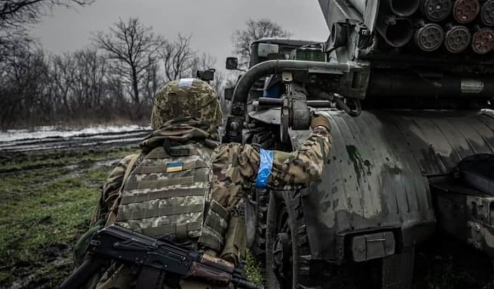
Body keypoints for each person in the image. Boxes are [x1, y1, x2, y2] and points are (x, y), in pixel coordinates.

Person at [73, 77, 332, 288]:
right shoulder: (234, 160)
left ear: (159, 116)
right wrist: (320, 128)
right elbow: (306, 167)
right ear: (212, 115)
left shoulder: (125, 168)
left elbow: (91, 240)